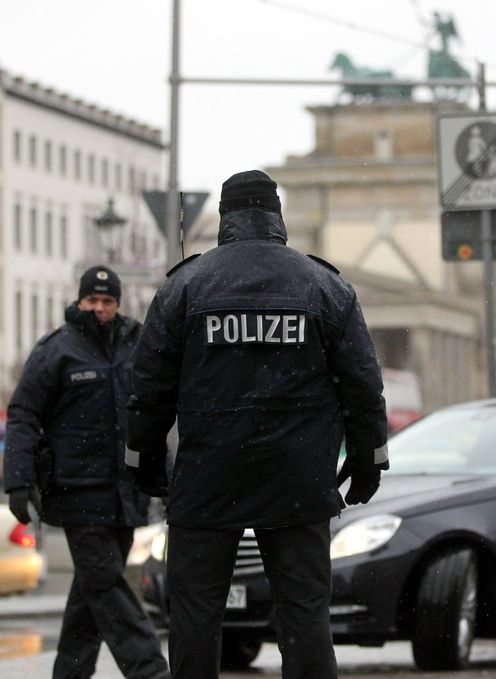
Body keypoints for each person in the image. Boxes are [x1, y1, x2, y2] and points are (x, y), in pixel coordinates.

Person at [125, 169, 389, 679]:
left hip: (208, 475)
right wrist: (368, 458)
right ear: (277, 217)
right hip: (297, 477)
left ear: (224, 217)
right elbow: (361, 384)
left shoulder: (186, 286)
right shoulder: (323, 285)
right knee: (305, 614)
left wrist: (145, 463)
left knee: (195, 619)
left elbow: (149, 390)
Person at [3, 266, 169, 679]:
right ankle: (150, 670)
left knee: (91, 592)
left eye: (107, 301)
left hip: (126, 494)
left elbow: (151, 414)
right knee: (109, 587)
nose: (99, 308)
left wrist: (164, 478)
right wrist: (18, 480)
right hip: (78, 494)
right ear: (79, 301)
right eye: (92, 301)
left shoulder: (136, 345)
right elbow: (23, 415)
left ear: (117, 303)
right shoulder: (56, 351)